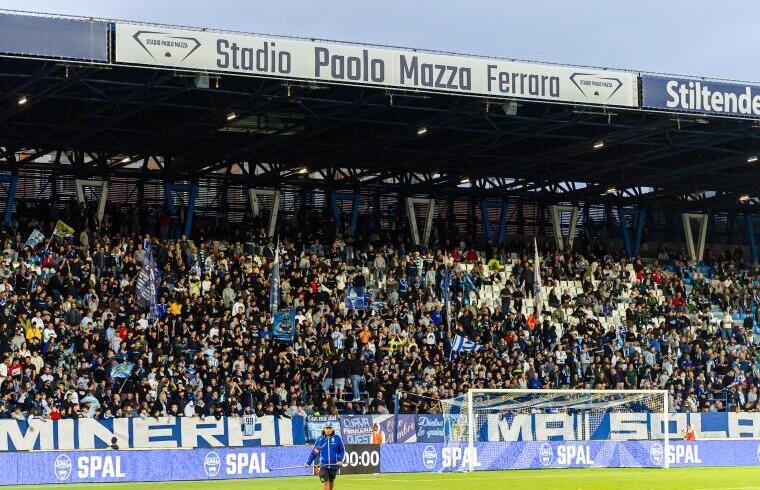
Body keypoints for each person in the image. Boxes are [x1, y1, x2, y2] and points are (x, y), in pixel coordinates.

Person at [305, 423, 346, 490]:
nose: (328, 430)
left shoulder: (337, 438)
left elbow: (342, 451)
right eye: (327, 428)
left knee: (331, 483)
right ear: (324, 429)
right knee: (326, 482)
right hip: (323, 465)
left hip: (334, 465)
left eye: (330, 428)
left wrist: (340, 459)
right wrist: (308, 462)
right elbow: (314, 452)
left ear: (332, 429)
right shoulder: (319, 439)